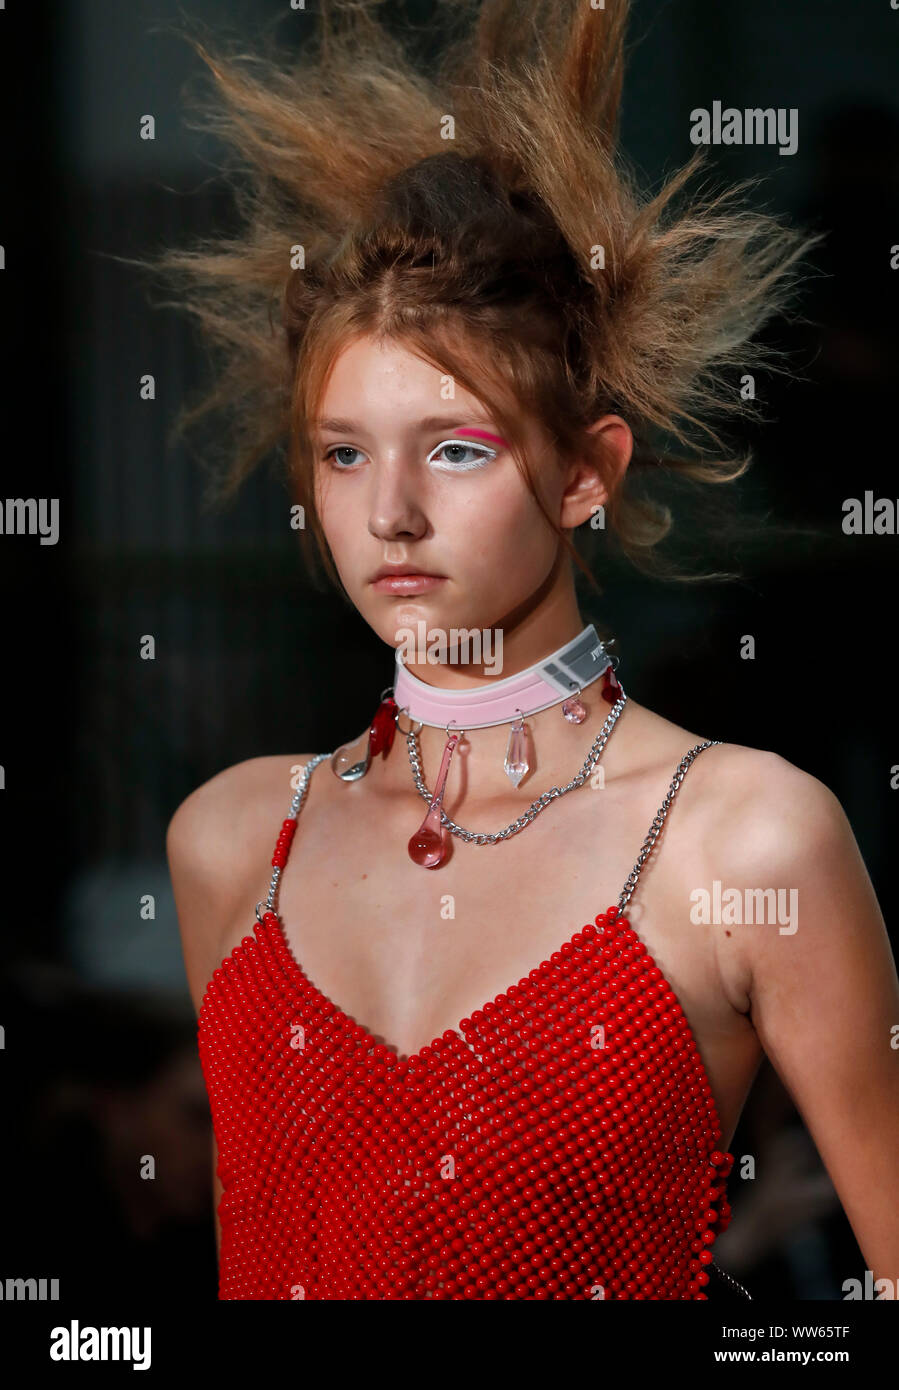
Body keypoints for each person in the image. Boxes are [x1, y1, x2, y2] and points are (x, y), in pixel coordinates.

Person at [163, 0, 899, 1300]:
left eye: (457, 446)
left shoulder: (747, 840)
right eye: (343, 453)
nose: (388, 509)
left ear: (583, 472)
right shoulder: (230, 844)